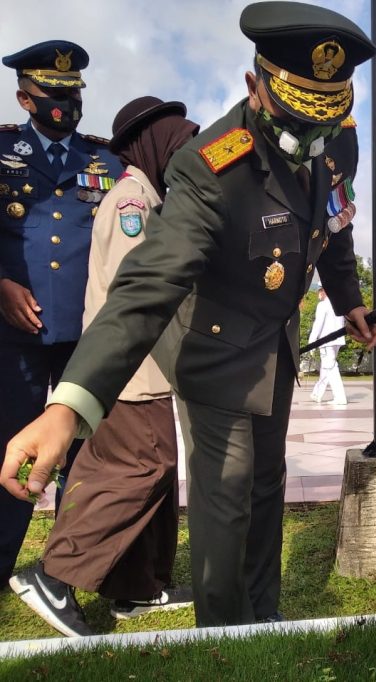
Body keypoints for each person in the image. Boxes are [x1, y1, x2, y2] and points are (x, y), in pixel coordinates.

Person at [0, 1, 376, 629]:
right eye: (296, 119)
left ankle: (263, 623)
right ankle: (225, 640)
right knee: (226, 497)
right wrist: (66, 408)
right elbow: (147, 285)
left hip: (277, 345)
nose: (308, 139)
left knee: (267, 487)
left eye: (325, 118)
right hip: (215, 347)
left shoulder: (335, 139)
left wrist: (351, 301)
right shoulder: (209, 166)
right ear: (255, 87)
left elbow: (330, 223)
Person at [8, 97, 199, 637]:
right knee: (142, 468)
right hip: (131, 371)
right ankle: (52, 575)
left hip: (150, 369)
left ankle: (136, 589)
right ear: (151, 143)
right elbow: (136, 293)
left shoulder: (152, 198)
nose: (186, 151)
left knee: (157, 479)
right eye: (177, 141)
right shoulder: (131, 202)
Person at [0, 41, 122, 590]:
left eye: (72, 94)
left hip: (83, 335)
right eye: (54, 94)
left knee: (84, 454)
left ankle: (68, 572)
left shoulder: (108, 163)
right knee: (10, 444)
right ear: (25, 98)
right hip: (12, 334)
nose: (66, 104)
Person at [308, 287, 347, 405]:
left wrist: (312, 342)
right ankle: (317, 393)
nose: (318, 294)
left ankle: (340, 397)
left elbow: (318, 324)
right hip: (337, 340)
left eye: (319, 291)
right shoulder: (338, 304)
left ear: (323, 291)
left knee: (331, 368)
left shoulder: (323, 305)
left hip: (326, 341)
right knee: (326, 367)